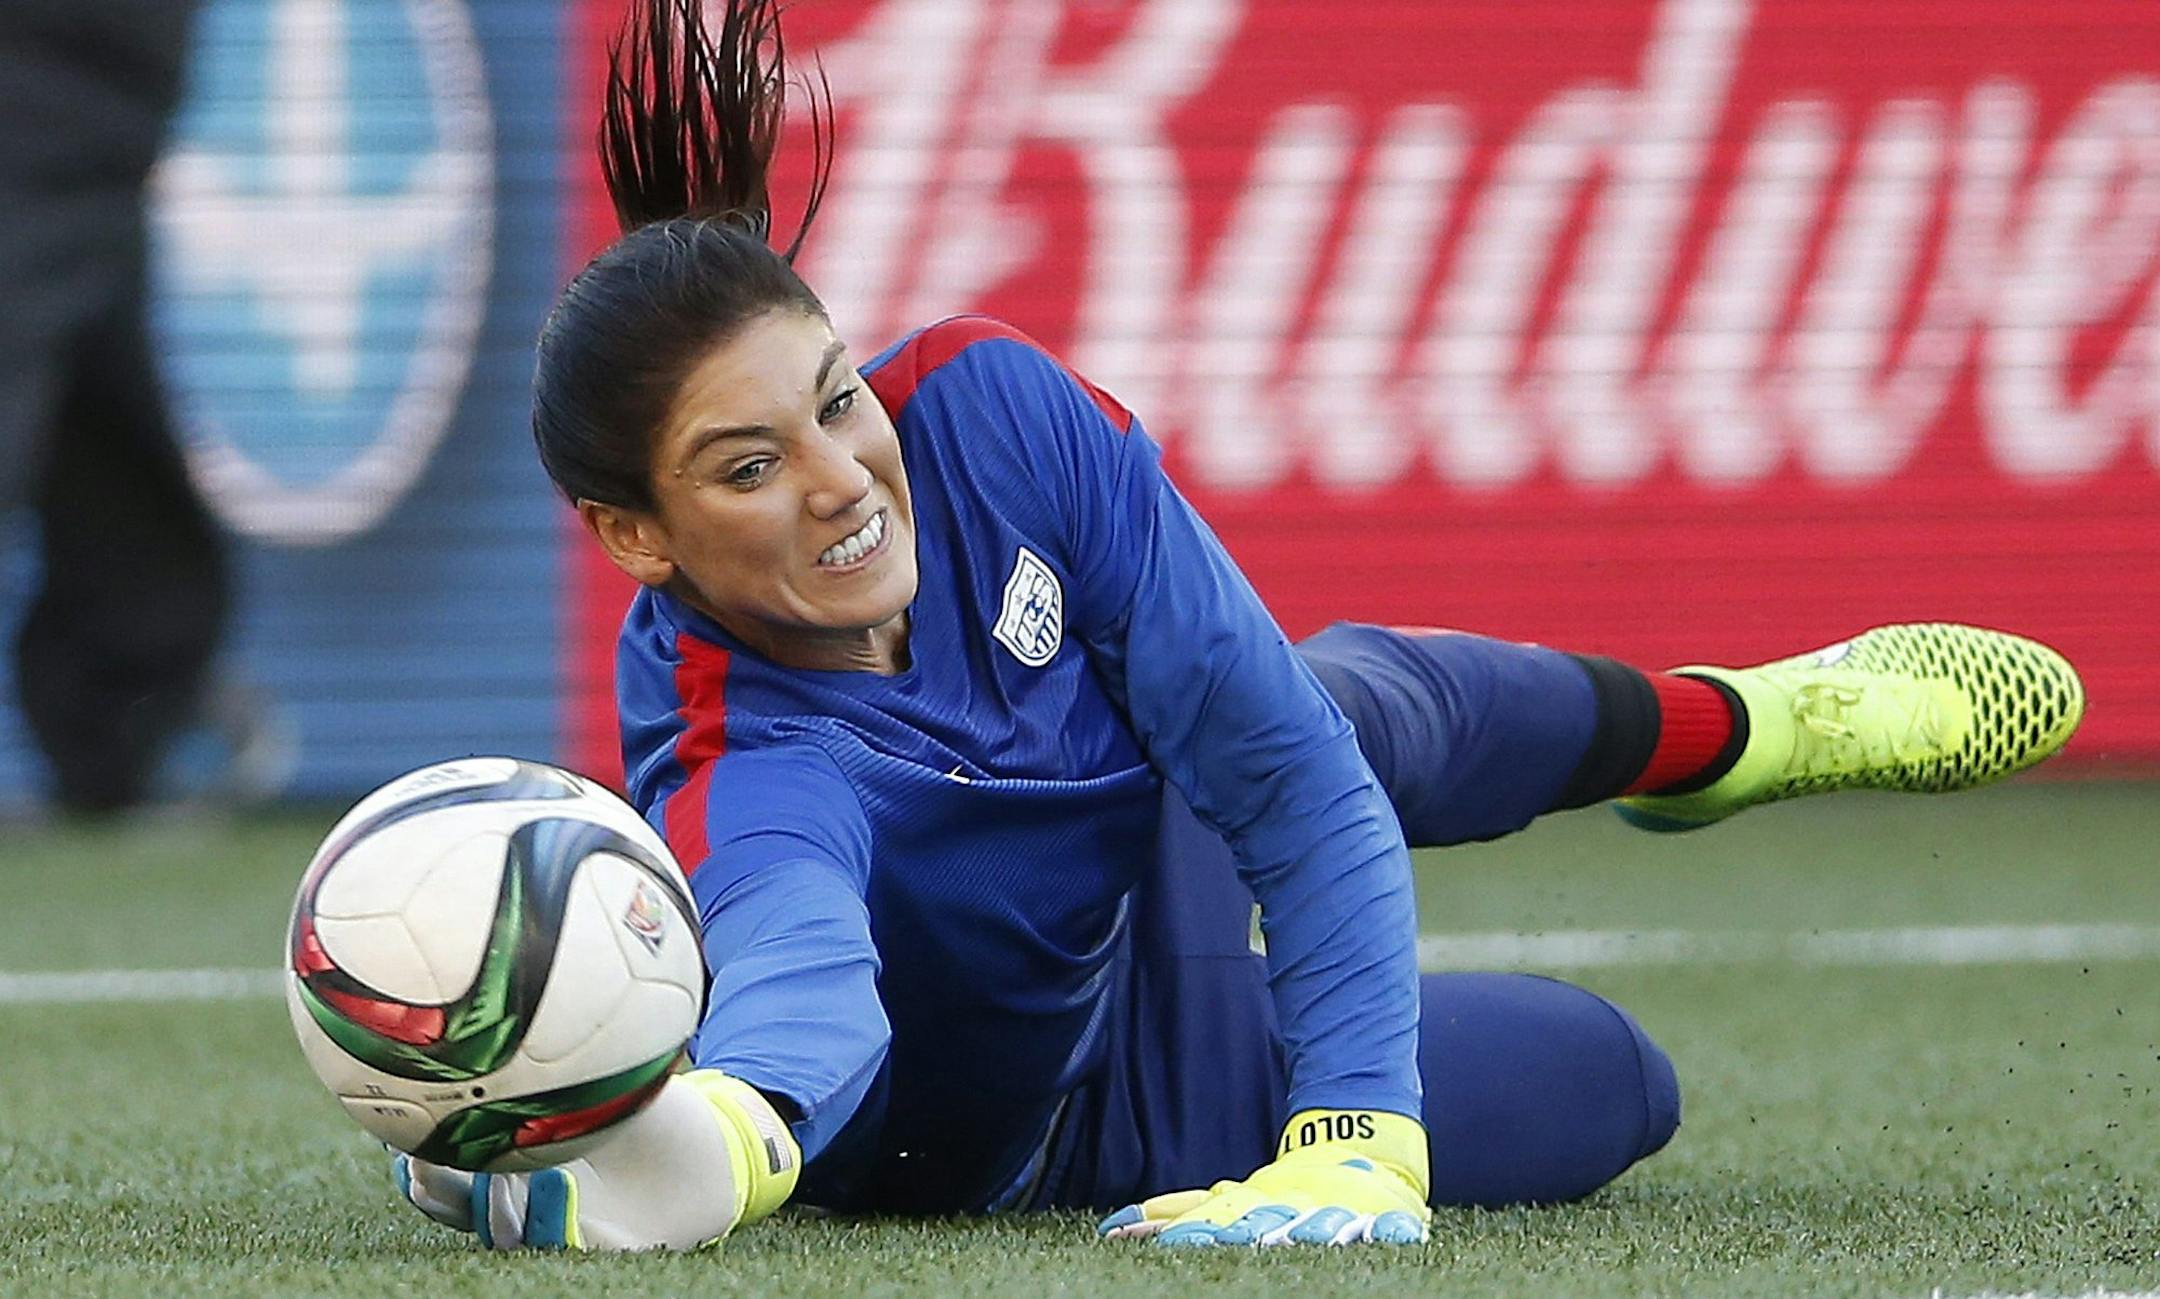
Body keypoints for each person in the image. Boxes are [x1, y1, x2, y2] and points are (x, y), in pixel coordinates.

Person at [394, 0, 2086, 1251]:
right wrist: (698, 1146)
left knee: (1332, 705)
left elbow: (1275, 757)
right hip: (1085, 1118)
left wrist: (1358, 1138)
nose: (843, 480)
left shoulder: (993, 406)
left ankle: (1745, 727)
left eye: (836, 400)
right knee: (1615, 1076)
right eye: (748, 467)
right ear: (634, 534)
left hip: (1157, 850)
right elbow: (808, 983)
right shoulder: (731, 737)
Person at [0, 0, 232, 815]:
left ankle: (121, 727)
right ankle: (122, 718)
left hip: (96, 96)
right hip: (52, 77)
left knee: (103, 426)